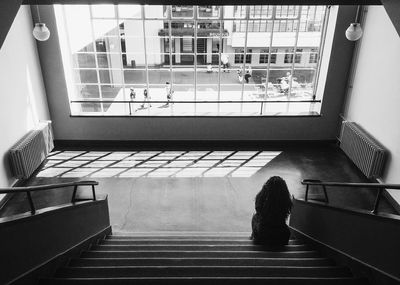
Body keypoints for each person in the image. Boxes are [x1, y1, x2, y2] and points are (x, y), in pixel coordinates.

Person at [251, 176, 292, 246]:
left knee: (255, 217)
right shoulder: (286, 200)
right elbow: (286, 214)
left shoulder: (261, 197)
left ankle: (254, 236)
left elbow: (258, 210)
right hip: (282, 237)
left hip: (263, 235)